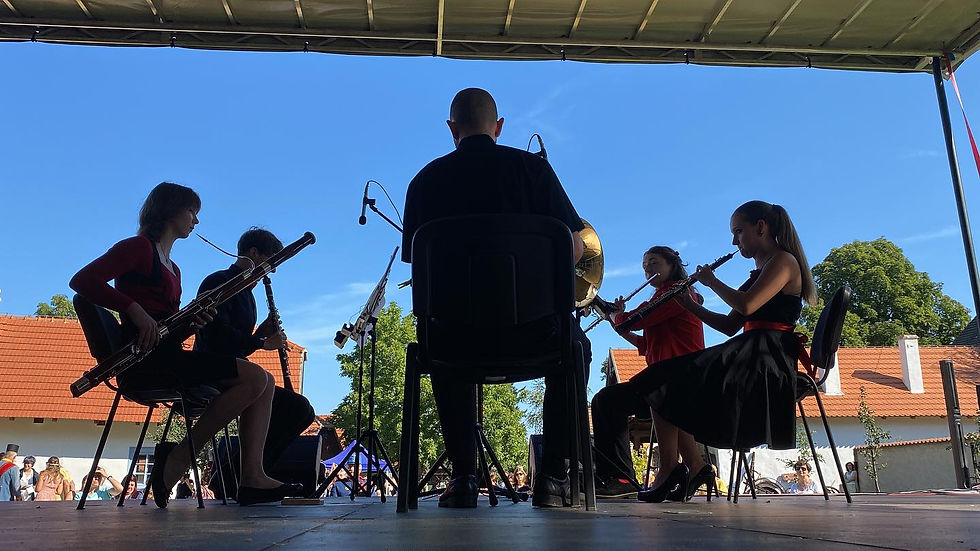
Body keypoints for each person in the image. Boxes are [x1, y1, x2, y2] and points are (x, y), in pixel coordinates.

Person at [401, 88, 591, 509]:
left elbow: (416, 259)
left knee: (440, 329)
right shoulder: (534, 171)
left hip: (454, 342)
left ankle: (465, 478)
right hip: (536, 335)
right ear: (499, 126)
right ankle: (555, 477)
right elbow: (574, 246)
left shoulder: (425, 180)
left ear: (452, 128)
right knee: (576, 346)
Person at [69, 182, 303, 508]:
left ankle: (251, 477)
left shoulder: (174, 268)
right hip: (143, 361)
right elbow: (81, 282)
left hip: (166, 354)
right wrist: (132, 309)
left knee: (263, 381)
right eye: (192, 212)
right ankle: (179, 459)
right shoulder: (138, 248)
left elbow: (166, 327)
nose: (196, 221)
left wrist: (193, 322)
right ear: (170, 210)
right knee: (255, 378)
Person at [620, 200, 815, 503]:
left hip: (764, 359)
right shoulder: (759, 272)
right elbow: (728, 326)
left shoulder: (783, 261)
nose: (734, 241)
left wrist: (711, 282)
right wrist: (690, 305)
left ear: (760, 228)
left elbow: (747, 305)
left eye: (738, 232)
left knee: (662, 379)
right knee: (660, 379)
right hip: (749, 351)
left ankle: (675, 468)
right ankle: (686, 467)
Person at [193, 227, 315, 496]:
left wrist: (259, 333)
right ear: (254, 253)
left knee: (301, 410)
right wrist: (262, 343)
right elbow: (215, 337)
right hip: (210, 371)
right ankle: (240, 478)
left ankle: (241, 475)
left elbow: (236, 345)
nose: (269, 272)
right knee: (295, 409)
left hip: (231, 372)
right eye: (269, 263)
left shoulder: (247, 295)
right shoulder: (219, 281)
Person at [590, 247, 705, 498]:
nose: (647, 269)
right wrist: (617, 321)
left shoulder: (675, 294)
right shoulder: (667, 296)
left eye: (653, 262)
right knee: (651, 394)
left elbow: (634, 319)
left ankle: (620, 477)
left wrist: (618, 316)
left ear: (672, 264)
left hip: (678, 376)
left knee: (605, 401)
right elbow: (646, 343)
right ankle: (696, 467)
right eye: (644, 266)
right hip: (675, 376)